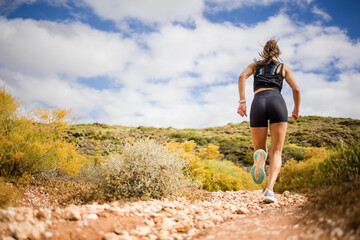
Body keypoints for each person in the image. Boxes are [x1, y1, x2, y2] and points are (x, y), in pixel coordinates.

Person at [237, 38, 300, 203]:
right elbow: (296, 89)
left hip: (258, 102)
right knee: (277, 151)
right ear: (277, 54)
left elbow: (242, 76)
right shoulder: (283, 67)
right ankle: (269, 190)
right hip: (277, 102)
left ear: (263, 52)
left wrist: (242, 102)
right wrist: (296, 109)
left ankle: (260, 158)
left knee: (260, 147)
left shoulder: (255, 66)